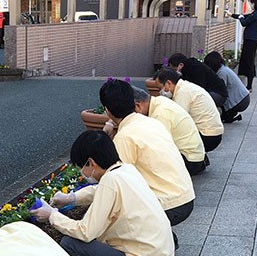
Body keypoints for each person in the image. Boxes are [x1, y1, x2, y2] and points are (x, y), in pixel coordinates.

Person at [31, 131, 174, 256]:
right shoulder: (126, 170)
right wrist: (71, 198)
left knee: (71, 244)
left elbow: (85, 232)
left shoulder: (110, 182)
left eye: (81, 167)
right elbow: (99, 191)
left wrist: (52, 216)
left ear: (91, 162)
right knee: (95, 241)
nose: (82, 173)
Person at [96, 79, 195, 227]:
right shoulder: (152, 122)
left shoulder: (124, 137)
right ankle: (163, 235)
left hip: (169, 205)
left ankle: (157, 241)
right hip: (186, 197)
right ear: (134, 103)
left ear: (107, 111)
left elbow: (115, 184)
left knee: (114, 217)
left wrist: (76, 198)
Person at [130, 85, 208, 175]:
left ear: (138, 106)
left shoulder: (160, 114)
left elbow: (159, 148)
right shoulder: (159, 101)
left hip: (189, 160)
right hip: (195, 155)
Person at [150, 68, 224, 152]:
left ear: (168, 83)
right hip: (212, 133)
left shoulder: (183, 93)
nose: (161, 93)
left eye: (160, 88)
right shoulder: (185, 87)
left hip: (207, 136)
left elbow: (177, 120)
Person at [203, 51, 250, 124]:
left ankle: (229, 113)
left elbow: (220, 90)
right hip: (244, 98)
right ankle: (229, 114)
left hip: (240, 101)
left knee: (214, 96)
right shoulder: (224, 69)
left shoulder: (222, 73)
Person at [229, 0, 257, 91]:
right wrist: (232, 15)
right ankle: (248, 85)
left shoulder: (256, 14)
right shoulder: (256, 13)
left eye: (251, 3)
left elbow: (244, 22)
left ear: (255, 3)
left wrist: (240, 18)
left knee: (249, 62)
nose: (251, 5)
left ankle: (249, 86)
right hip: (250, 40)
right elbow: (244, 16)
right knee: (248, 62)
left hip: (250, 41)